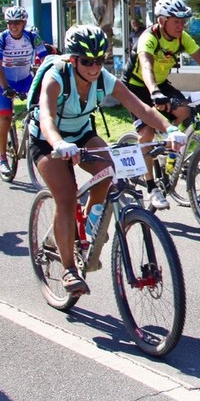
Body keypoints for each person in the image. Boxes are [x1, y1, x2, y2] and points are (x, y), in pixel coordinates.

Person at [29, 25, 185, 296]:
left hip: (81, 134)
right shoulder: (56, 78)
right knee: (66, 197)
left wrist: (170, 129)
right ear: (73, 59)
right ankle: (69, 269)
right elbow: (46, 118)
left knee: (111, 171)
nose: (94, 67)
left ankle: (89, 223)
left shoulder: (104, 78)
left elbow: (141, 108)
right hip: (48, 141)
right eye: (87, 61)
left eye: (99, 60)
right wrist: (59, 144)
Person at [122, 0, 200, 209]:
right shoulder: (148, 38)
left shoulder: (182, 38)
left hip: (160, 83)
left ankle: (171, 151)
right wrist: (154, 92)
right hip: (137, 86)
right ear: (162, 21)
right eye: (176, 21)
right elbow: (146, 67)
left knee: (185, 111)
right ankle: (151, 187)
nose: (181, 26)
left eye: (183, 21)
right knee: (147, 132)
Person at [0, 6, 49, 175]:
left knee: (41, 111)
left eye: (16, 23)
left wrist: (48, 80)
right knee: (5, 118)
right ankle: (3, 158)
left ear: (24, 22)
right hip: (5, 81)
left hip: (26, 80)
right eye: (9, 23)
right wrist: (5, 88)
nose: (13, 26)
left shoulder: (32, 37)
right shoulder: (0, 39)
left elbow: (45, 60)